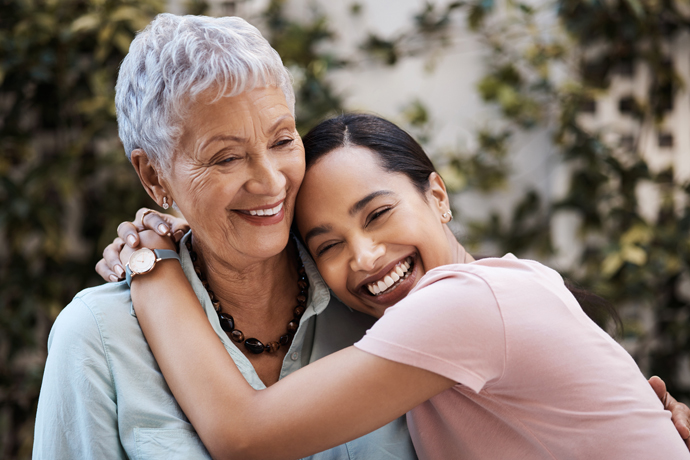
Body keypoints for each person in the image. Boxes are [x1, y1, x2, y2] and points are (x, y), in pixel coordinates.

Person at [103, 113, 690, 460]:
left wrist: (154, 265)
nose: (364, 257)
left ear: (437, 195)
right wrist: (203, 231)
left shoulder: (465, 304)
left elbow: (242, 437)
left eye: (378, 213)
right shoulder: (494, 292)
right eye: (328, 245)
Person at [32, 15, 416, 459]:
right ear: (154, 175)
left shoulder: (371, 292)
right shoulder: (97, 338)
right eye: (226, 157)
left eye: (282, 141)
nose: (270, 182)